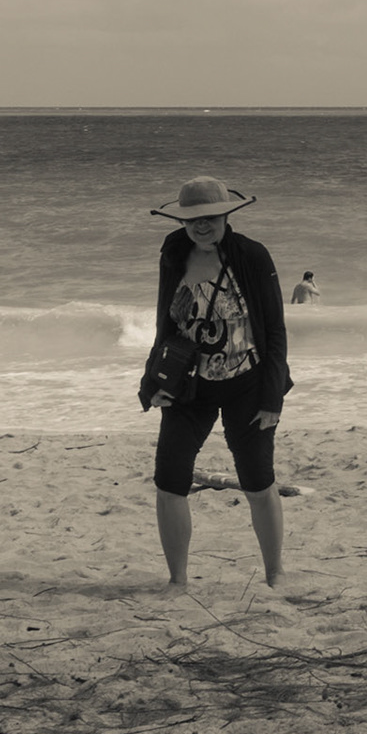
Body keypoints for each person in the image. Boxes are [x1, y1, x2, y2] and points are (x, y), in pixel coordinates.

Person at [141, 176, 293, 587]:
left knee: (258, 481)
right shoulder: (174, 253)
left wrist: (273, 397)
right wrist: (151, 380)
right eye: (193, 219)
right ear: (182, 221)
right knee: (169, 481)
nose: (202, 226)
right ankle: (178, 580)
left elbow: (275, 330)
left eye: (210, 217)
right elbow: (164, 320)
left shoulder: (252, 256)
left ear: (226, 215)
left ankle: (275, 573)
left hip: (248, 384)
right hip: (190, 387)